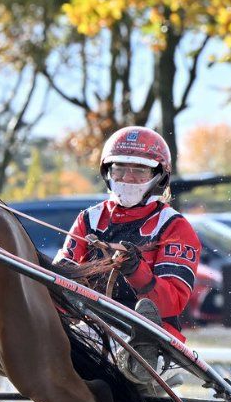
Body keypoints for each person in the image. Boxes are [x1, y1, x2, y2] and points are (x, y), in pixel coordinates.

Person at [54, 126, 201, 383]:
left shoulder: (174, 226)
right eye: (119, 169)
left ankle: (139, 368)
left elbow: (172, 302)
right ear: (107, 172)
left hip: (149, 332)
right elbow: (58, 279)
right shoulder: (89, 219)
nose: (127, 178)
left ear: (158, 176)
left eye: (139, 170)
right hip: (89, 323)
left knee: (137, 327)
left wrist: (136, 271)